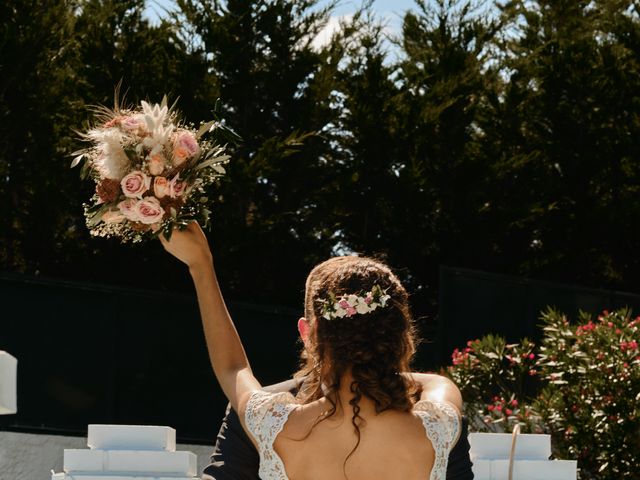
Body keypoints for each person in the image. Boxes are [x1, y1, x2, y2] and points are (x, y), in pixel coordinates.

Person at [161, 223, 466, 480]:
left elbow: (233, 368)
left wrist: (201, 266)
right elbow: (428, 382)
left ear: (312, 334)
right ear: (401, 334)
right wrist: (376, 362)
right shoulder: (438, 423)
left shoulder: (273, 423)